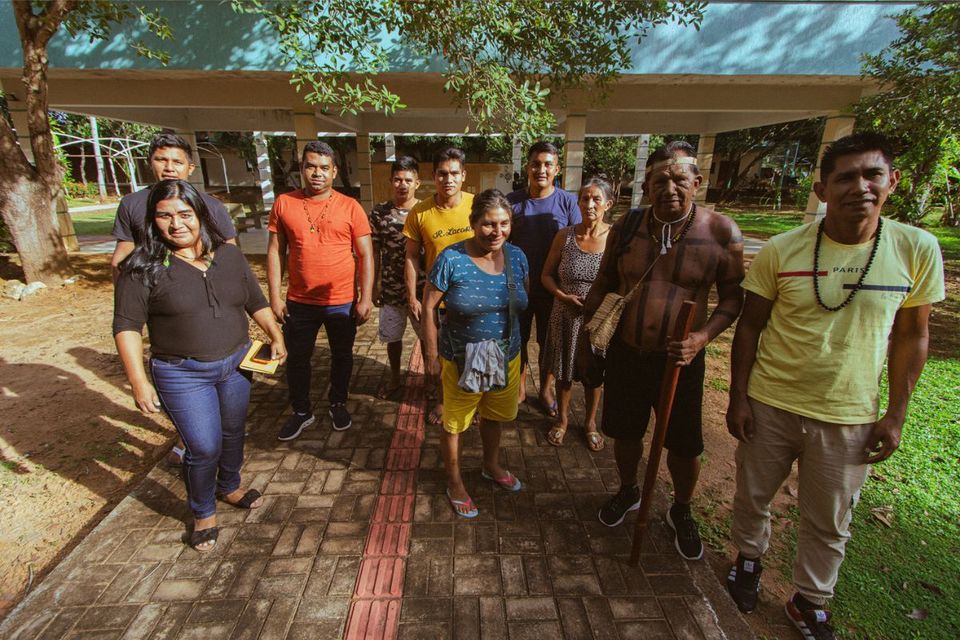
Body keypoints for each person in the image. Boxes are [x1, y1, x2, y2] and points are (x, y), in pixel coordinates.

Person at [725, 132, 944, 639]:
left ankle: (810, 599)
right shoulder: (782, 249)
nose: (860, 187)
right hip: (771, 401)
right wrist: (738, 397)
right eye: (845, 178)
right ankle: (748, 561)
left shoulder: (916, 249)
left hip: (850, 413)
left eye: (872, 174)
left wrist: (896, 413)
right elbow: (750, 326)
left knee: (829, 517)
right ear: (822, 190)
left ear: (893, 181)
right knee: (753, 495)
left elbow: (913, 335)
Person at [583, 141, 744, 561]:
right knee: (624, 432)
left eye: (678, 179)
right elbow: (603, 284)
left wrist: (701, 338)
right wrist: (587, 341)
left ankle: (681, 509)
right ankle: (628, 490)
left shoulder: (721, 232)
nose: (669, 188)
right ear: (646, 186)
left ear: (697, 181)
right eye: (659, 180)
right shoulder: (628, 227)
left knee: (685, 445)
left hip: (680, 360)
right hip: (626, 352)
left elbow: (732, 300)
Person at [113, 179, 286, 552]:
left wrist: (275, 333)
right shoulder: (141, 267)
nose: (176, 224)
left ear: (202, 215)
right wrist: (138, 381)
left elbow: (254, 300)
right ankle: (203, 512)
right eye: (165, 216)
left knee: (233, 432)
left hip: (237, 365)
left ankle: (230, 486)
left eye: (185, 214)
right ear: (152, 220)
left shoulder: (229, 256)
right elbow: (126, 327)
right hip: (182, 373)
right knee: (203, 446)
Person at [111, 133, 238, 466]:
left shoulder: (211, 207)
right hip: (162, 308)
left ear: (190, 167)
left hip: (206, 314)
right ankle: (190, 439)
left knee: (223, 409)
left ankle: (208, 447)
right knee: (178, 378)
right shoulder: (133, 205)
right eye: (161, 159)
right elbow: (122, 256)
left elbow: (230, 255)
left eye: (177, 161)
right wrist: (129, 299)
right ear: (150, 163)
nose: (169, 167)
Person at [422, 189, 529, 518]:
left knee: (494, 416)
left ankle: (490, 465)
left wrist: (525, 363)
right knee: (455, 424)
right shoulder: (451, 259)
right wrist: (431, 356)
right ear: (472, 222)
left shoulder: (517, 257)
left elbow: (522, 307)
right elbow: (428, 307)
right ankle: (454, 482)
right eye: (488, 224)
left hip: (506, 355)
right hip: (461, 358)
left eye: (504, 223)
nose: (497, 231)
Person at [267, 141, 374, 439]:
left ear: (334, 171)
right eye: (311, 166)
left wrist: (365, 298)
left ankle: (338, 402)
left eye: (324, 168)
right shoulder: (284, 203)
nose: (317, 173)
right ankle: (301, 411)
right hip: (299, 301)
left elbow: (365, 254)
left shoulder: (351, 207)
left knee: (342, 355)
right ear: (302, 169)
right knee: (297, 359)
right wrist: (274, 297)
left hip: (341, 301)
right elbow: (275, 251)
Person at [507, 141, 581, 414]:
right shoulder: (512, 202)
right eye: (536, 164)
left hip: (554, 289)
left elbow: (578, 241)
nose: (541, 170)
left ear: (557, 169)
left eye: (548, 164)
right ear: (527, 167)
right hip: (518, 287)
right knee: (518, 339)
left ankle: (546, 389)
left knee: (548, 342)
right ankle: (520, 387)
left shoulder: (568, 202)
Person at [403, 148, 475, 425]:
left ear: (463, 175)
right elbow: (411, 256)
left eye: (454, 173)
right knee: (442, 356)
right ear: (433, 177)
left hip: (473, 297)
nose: (448, 179)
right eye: (442, 174)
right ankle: (444, 401)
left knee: (472, 353)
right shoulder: (420, 212)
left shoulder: (477, 205)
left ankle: (472, 401)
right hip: (437, 300)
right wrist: (412, 296)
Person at [540, 176, 612, 451]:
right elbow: (546, 275)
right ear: (578, 202)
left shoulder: (613, 238)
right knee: (564, 371)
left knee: (594, 374)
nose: (590, 204)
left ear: (608, 204)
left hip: (598, 319)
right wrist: (563, 296)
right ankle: (562, 420)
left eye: (596, 199)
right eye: (585, 198)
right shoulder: (565, 236)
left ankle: (591, 423)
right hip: (565, 314)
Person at [369, 156, 423, 400]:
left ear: (417, 183)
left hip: (421, 289)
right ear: (391, 181)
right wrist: (373, 286)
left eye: (408, 180)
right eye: (398, 180)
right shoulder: (379, 213)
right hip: (391, 288)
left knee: (427, 337)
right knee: (393, 337)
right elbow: (374, 253)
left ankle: (431, 381)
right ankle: (394, 378)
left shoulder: (425, 210)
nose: (403, 185)